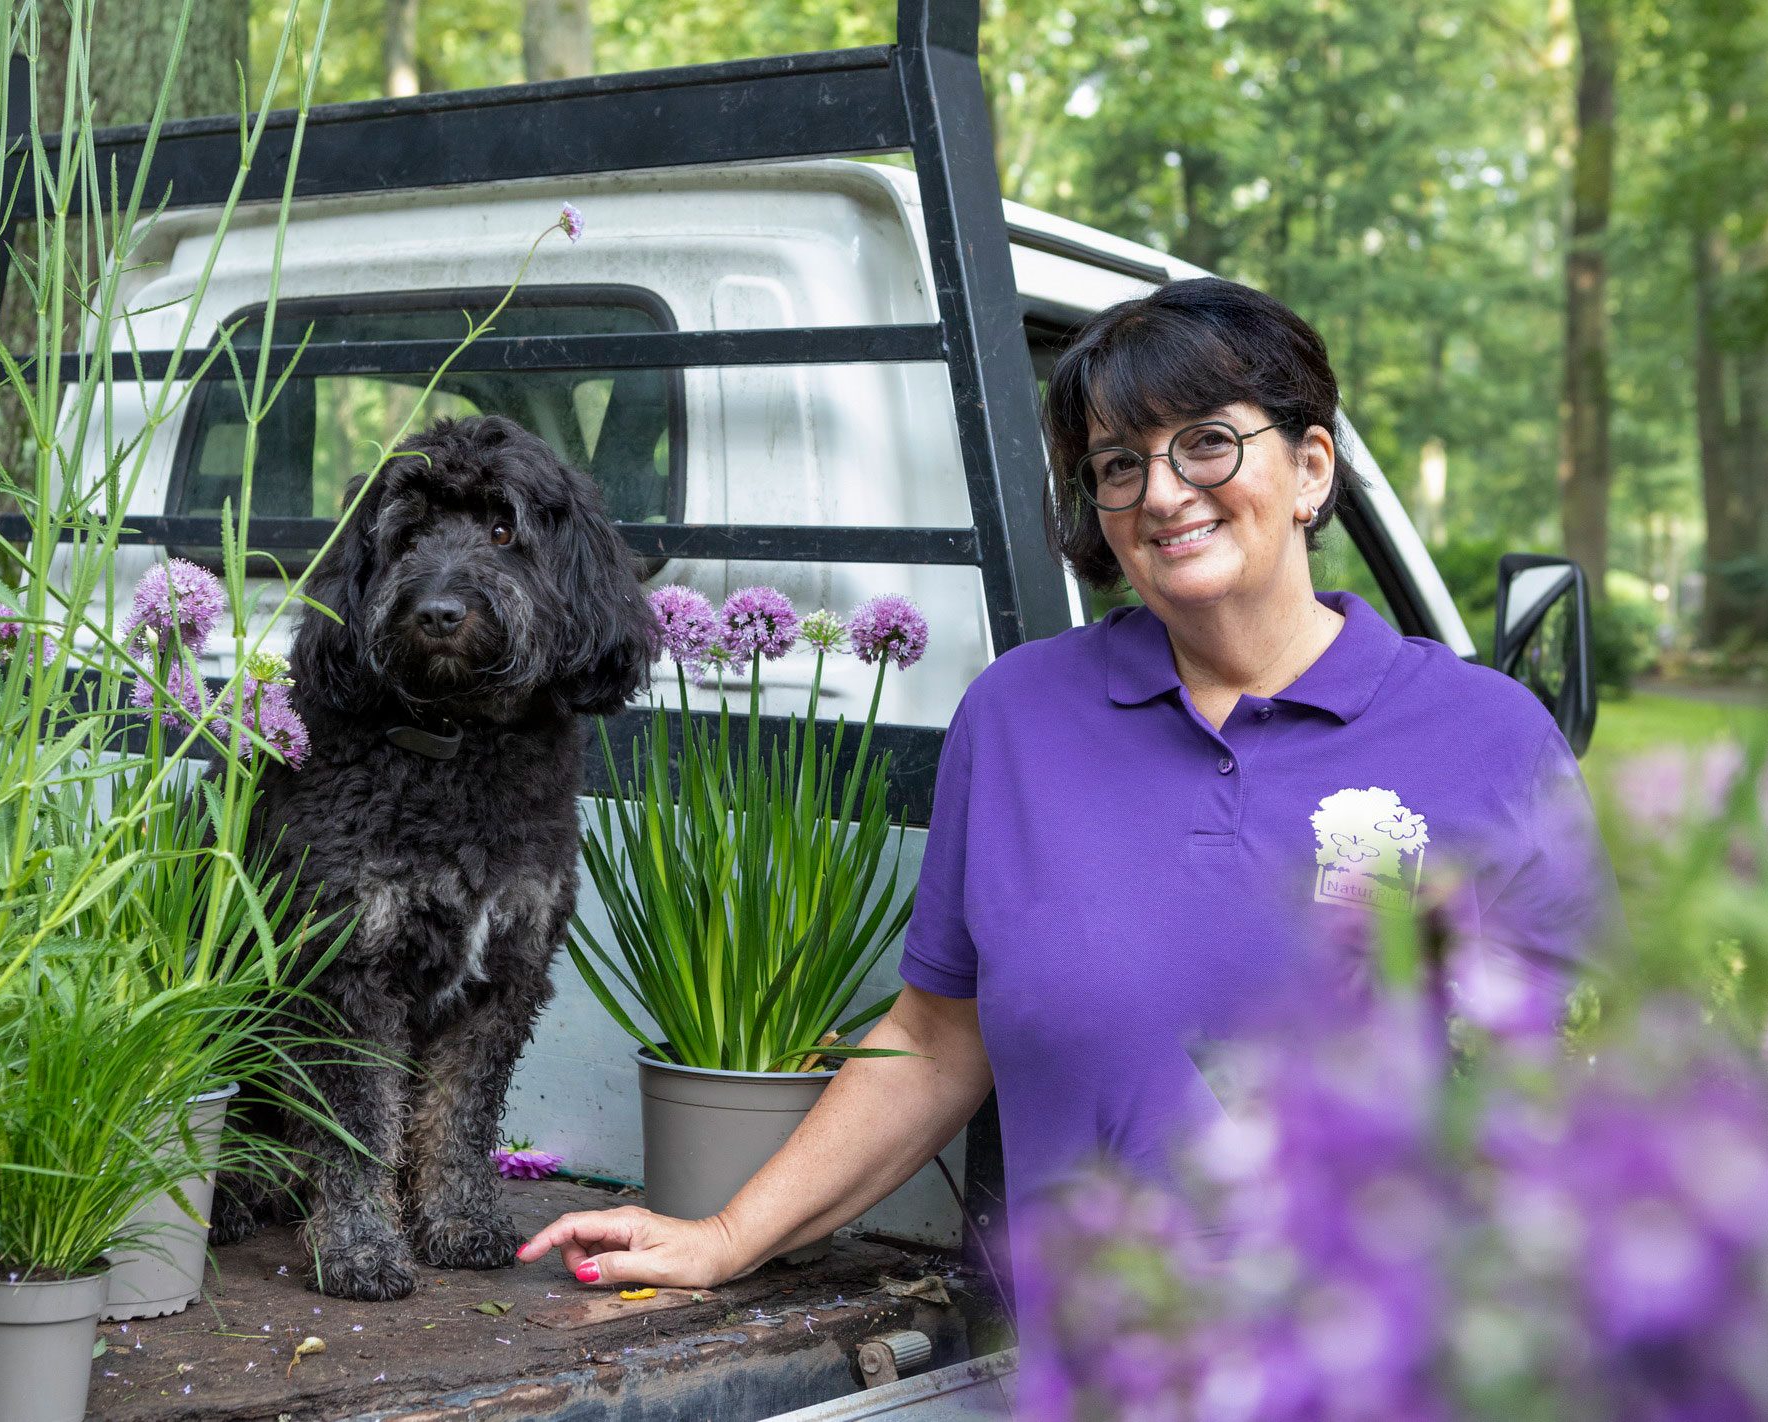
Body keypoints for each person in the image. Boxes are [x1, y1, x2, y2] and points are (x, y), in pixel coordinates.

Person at [517, 277, 1615, 1295]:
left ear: (1311, 469)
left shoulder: (1485, 736)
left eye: (1207, 444)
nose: (1162, 491)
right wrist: (724, 1235)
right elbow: (939, 1038)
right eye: (1119, 464)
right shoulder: (1018, 717)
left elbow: (1583, 1083)